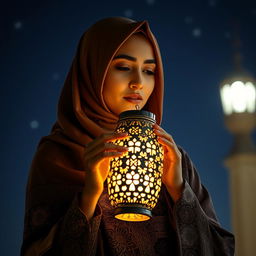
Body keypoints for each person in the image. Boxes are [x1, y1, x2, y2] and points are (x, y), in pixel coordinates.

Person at [21, 17, 235, 256]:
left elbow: (221, 250)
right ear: (93, 70)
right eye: (123, 67)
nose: (138, 83)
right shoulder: (58, 157)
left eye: (149, 71)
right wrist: (89, 195)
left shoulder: (171, 157)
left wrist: (178, 189)